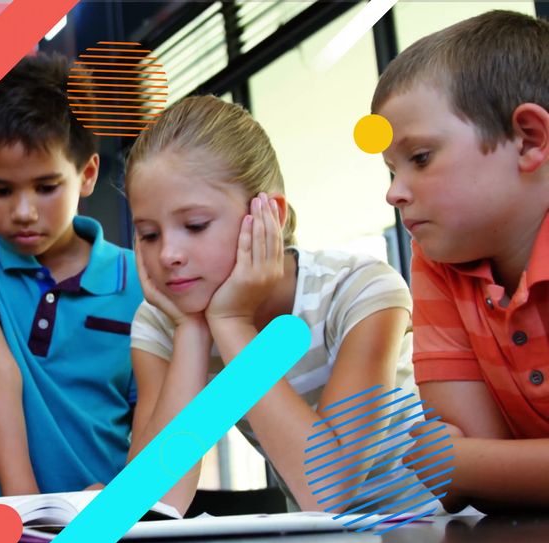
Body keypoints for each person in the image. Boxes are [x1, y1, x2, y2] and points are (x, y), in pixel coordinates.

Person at [126, 95, 423, 515]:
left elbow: (331, 491)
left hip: (447, 536)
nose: (168, 254)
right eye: (149, 234)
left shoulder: (359, 290)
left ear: (269, 215)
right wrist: (193, 333)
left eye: (194, 226)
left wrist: (231, 322)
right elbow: (148, 505)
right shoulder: (165, 323)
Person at [0, 54, 142, 498]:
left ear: (86, 174)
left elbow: (156, 410)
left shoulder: (139, 278)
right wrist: (27, 511)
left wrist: (124, 500)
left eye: (47, 188)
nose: (23, 212)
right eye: (0, 190)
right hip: (3, 521)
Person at [372, 10, 549, 513]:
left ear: (529, 139)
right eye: (390, 169)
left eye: (421, 158)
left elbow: (456, 463)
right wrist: (472, 465)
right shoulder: (438, 260)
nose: (394, 193)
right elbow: (464, 481)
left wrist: (468, 462)